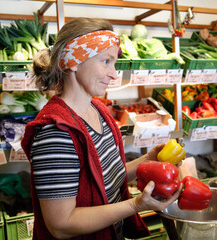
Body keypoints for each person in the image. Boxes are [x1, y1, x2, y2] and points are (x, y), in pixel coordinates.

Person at [21, 17, 182, 240]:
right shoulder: (56, 132)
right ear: (74, 60)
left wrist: (149, 160)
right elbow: (61, 224)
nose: (114, 73)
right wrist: (135, 205)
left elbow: (105, 179)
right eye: (106, 61)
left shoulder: (98, 111)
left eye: (114, 62)